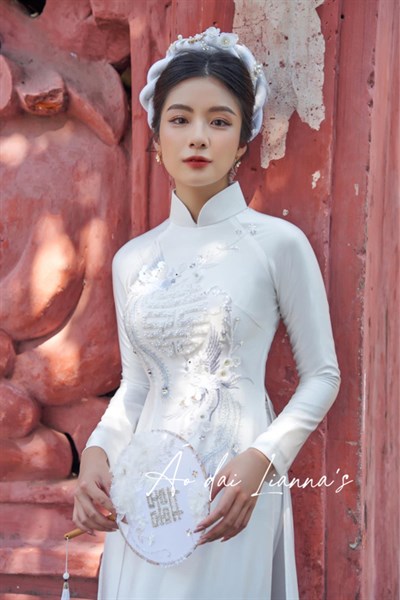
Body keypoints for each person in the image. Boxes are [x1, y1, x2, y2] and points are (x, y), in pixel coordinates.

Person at [73, 27, 341, 600]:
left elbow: (323, 375)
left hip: (231, 489)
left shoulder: (277, 245)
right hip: (146, 487)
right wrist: (97, 451)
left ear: (243, 141)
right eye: (181, 118)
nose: (198, 136)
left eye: (219, 121)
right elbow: (137, 386)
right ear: (156, 136)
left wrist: (263, 459)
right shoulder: (132, 260)